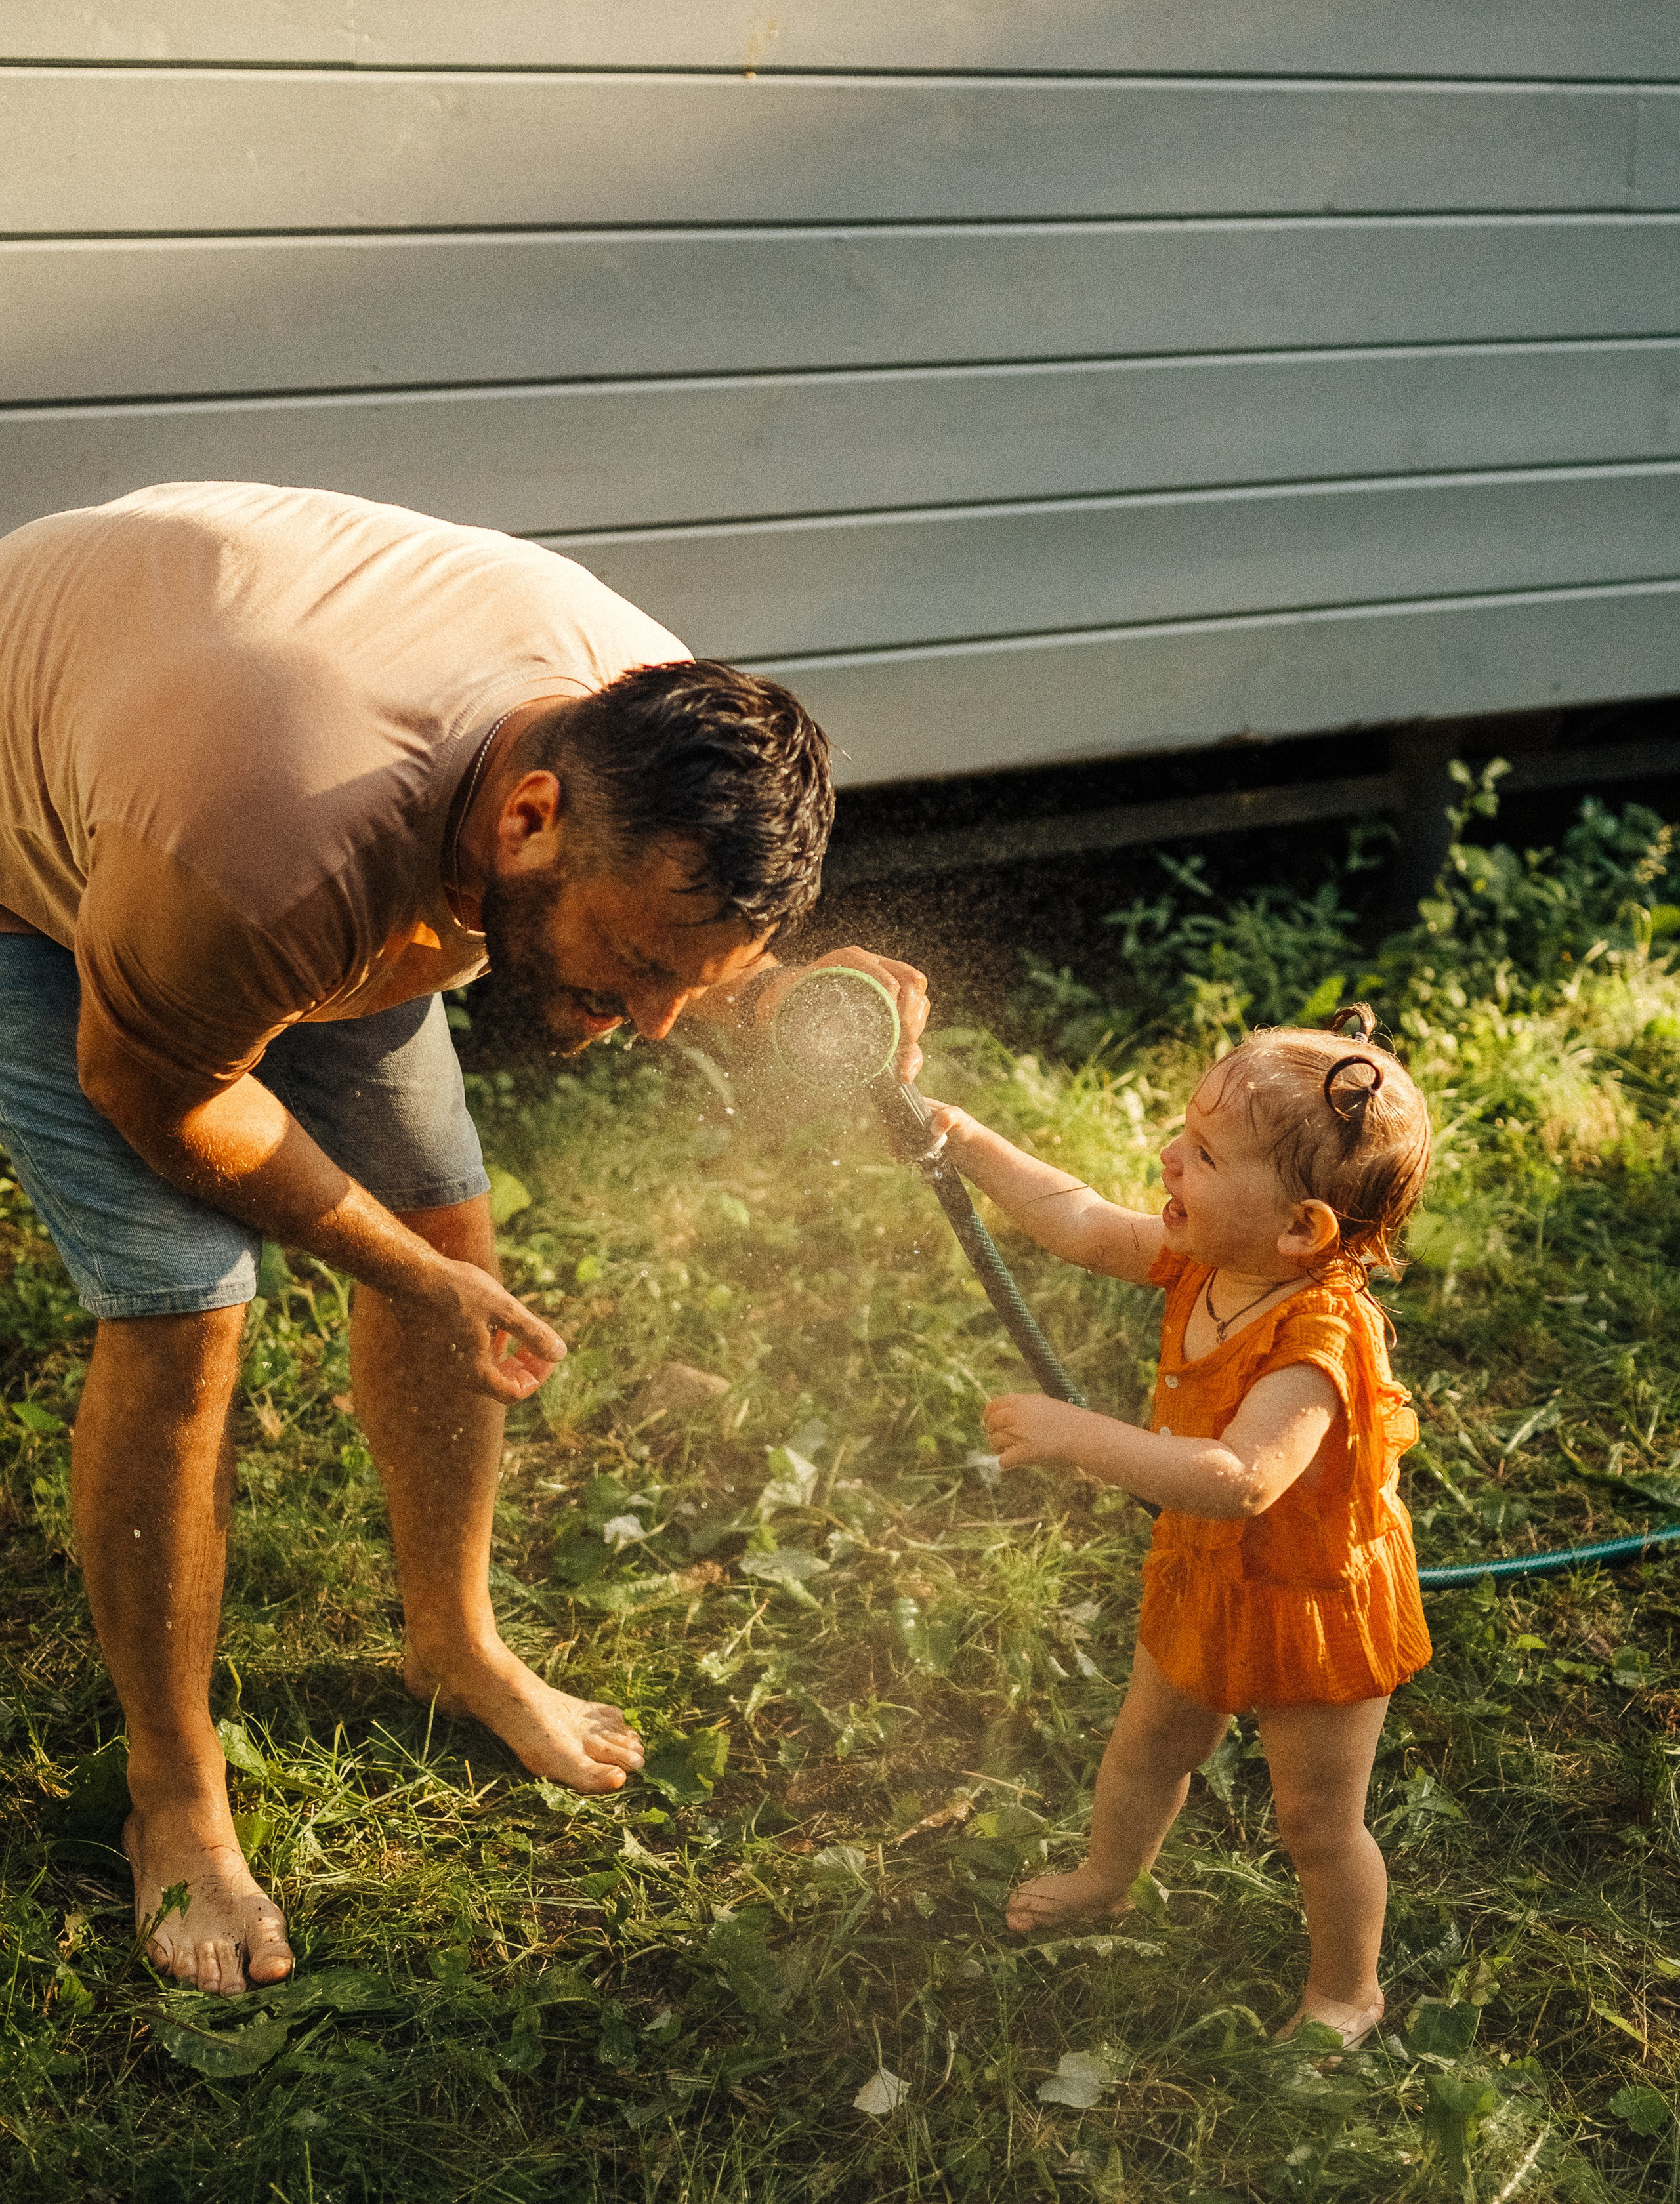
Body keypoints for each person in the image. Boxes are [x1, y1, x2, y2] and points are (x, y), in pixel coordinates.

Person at [0, 480, 928, 1997]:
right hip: (42, 854)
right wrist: (395, 1269)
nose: (648, 1026)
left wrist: (782, 993)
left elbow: (673, 929)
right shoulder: (263, 851)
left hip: (264, 771)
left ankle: (453, 1643)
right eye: (632, 968)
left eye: (680, 984)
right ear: (528, 819)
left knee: (453, 1227)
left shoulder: (648, 735)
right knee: (187, 1306)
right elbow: (158, 1089)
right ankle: (174, 1793)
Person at [924, 1010, 1432, 2047]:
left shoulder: (1316, 1338)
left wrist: (1078, 1434)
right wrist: (964, 1140)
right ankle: (1110, 1878)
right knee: (1149, 1744)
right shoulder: (1207, 1255)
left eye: (1203, 1154)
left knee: (1316, 1823)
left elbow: (1241, 1479)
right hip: (1208, 1574)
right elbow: (1078, 1222)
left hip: (1315, 1602)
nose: (1169, 1158)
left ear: (1302, 1230)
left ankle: (1347, 1992)